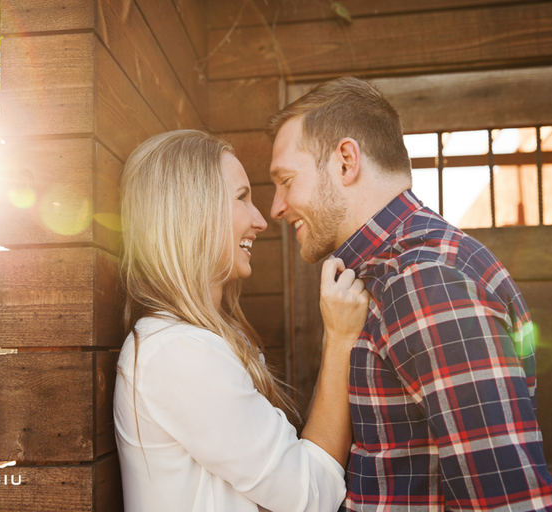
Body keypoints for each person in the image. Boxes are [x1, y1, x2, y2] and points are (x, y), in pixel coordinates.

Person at [266, 77, 552, 511]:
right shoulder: (386, 272)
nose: (276, 206)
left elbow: (509, 500)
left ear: (346, 161)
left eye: (286, 180)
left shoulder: (423, 279)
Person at [113, 129, 370, 512]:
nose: (260, 219)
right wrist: (341, 339)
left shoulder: (199, 342)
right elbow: (310, 496)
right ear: (191, 212)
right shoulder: (178, 353)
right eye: (242, 198)